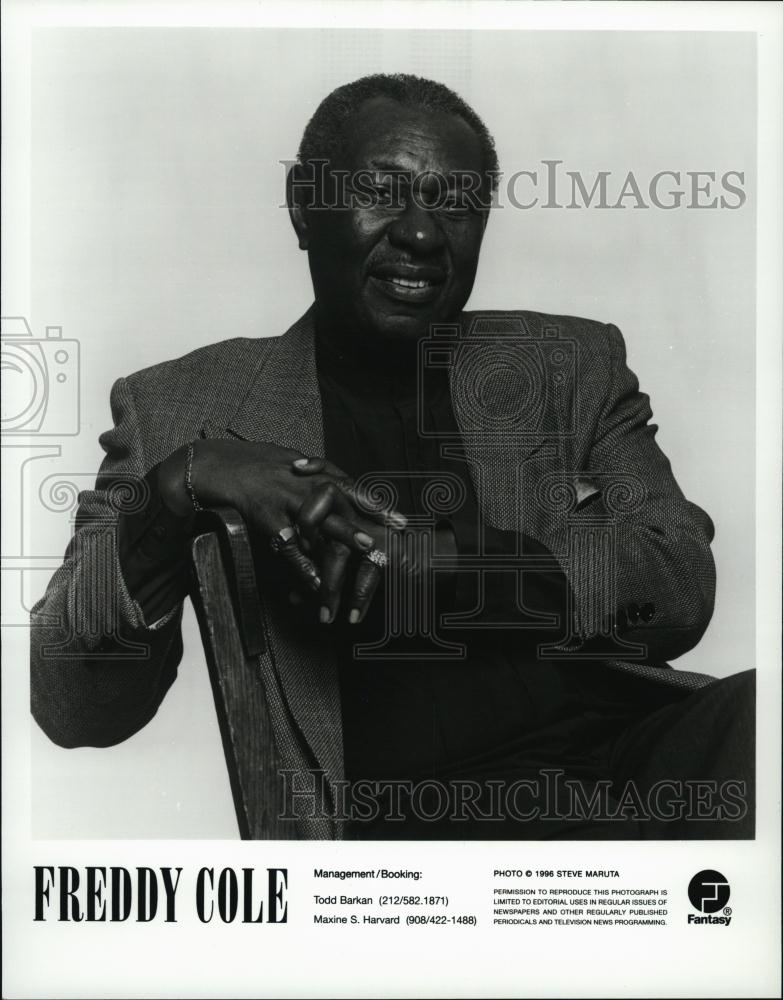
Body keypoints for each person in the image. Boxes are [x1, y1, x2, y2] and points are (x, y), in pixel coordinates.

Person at [31, 73, 754, 840]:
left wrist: (447, 570)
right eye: (380, 188)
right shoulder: (179, 405)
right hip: (414, 839)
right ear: (305, 206)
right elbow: (74, 706)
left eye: (456, 202)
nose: (421, 233)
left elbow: (677, 581)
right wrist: (179, 485)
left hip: (631, 764)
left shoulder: (571, 362)